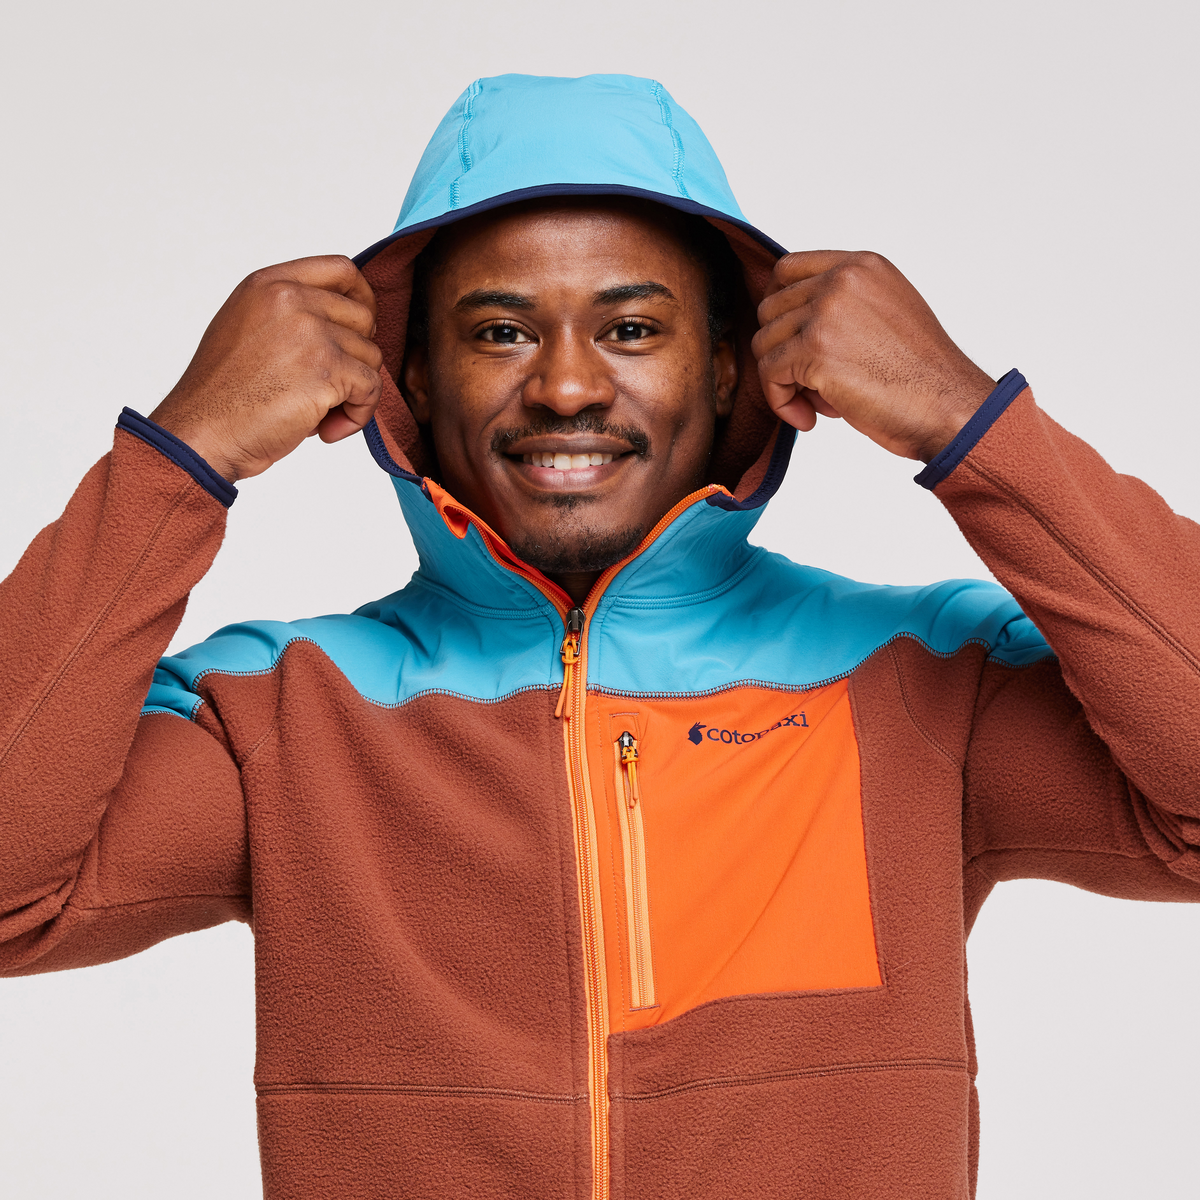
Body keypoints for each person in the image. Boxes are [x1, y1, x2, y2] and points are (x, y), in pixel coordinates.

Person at [2, 72, 1197, 1200]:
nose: (567, 387)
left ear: (727, 371)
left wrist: (966, 420)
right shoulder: (281, 714)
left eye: (629, 329)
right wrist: (183, 455)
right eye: (501, 333)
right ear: (411, 378)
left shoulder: (920, 682)